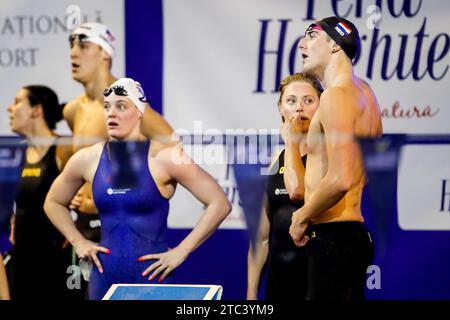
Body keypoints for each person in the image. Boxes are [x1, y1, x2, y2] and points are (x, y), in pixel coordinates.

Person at [44, 78, 232, 300]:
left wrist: (182, 251)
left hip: (152, 279)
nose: (111, 113)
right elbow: (53, 202)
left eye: (121, 106)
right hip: (104, 279)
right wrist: (78, 241)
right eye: (106, 106)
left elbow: (220, 203)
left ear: (140, 111)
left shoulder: (165, 157)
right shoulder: (88, 159)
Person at [64, 22, 176, 295]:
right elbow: (81, 159)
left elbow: (172, 145)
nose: (73, 54)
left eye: (83, 45)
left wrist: (126, 189)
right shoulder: (73, 110)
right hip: (86, 229)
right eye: (71, 46)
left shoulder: (126, 104)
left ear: (105, 53)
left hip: (121, 229)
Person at [289, 17, 383, 300]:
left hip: (333, 238)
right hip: (353, 236)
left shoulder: (335, 96)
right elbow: (364, 172)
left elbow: (342, 178)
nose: (302, 44)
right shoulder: (366, 96)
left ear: (334, 44)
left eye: (311, 36)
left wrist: (301, 216)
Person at [247, 73, 322, 301]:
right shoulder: (274, 160)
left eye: (308, 101)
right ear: (280, 108)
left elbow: (296, 190)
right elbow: (261, 238)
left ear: (321, 107)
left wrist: (291, 142)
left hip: (318, 283)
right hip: (279, 284)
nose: (299, 108)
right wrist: (251, 293)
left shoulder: (328, 155)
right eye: (291, 101)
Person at [7, 85, 72, 300]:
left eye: (17, 102)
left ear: (37, 110)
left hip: (54, 263)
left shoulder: (64, 149)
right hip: (22, 261)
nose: (10, 109)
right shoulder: (19, 152)